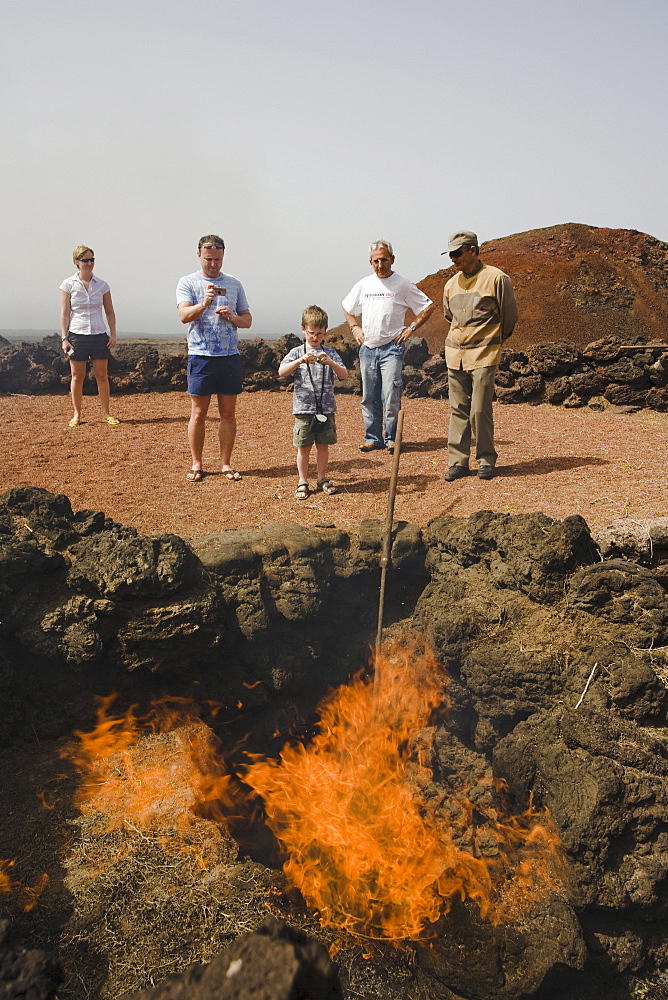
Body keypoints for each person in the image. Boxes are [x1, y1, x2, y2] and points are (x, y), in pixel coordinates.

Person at [342, 240, 434, 453]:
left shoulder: (403, 284)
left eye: (384, 260)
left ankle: (392, 439)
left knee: (391, 395)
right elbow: (347, 307)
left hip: (392, 348)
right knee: (369, 396)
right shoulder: (364, 284)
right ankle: (373, 438)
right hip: (367, 349)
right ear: (370, 262)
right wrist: (355, 327)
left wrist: (410, 328)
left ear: (392, 259)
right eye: (376, 261)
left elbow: (427, 307)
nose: (380, 264)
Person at [442, 230, 519, 481]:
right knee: (458, 410)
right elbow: (448, 317)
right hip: (455, 355)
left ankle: (486, 459)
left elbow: (509, 317)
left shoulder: (497, 279)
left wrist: (494, 341)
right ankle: (458, 463)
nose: (453, 259)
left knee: (479, 410)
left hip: (484, 354)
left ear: (473, 251)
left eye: (457, 253)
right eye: (450, 254)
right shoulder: (450, 284)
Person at [176, 235, 252, 482]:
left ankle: (225, 463)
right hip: (201, 355)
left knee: (228, 413)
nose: (213, 264)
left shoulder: (234, 284)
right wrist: (204, 303)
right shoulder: (187, 282)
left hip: (229, 356)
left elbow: (247, 320)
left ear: (223, 256)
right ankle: (197, 463)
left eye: (217, 259)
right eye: (209, 259)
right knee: (199, 412)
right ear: (199, 255)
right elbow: (184, 315)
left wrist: (231, 316)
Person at [278, 306, 348, 499]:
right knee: (303, 447)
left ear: (325, 332)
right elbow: (281, 372)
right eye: (311, 333)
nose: (315, 338)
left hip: (326, 408)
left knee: (323, 446)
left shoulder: (330, 353)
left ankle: (322, 478)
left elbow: (344, 375)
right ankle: (302, 481)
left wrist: (331, 363)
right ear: (303, 329)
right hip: (303, 408)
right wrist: (300, 361)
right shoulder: (296, 352)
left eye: (320, 334)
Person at [60, 246, 119, 427]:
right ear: (77, 262)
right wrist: (64, 338)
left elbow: (109, 311)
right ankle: (77, 414)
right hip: (77, 335)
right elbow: (65, 313)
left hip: (99, 335)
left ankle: (106, 413)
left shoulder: (102, 285)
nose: (90, 263)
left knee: (102, 375)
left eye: (92, 259)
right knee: (77, 376)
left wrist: (113, 334)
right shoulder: (68, 285)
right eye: (85, 260)